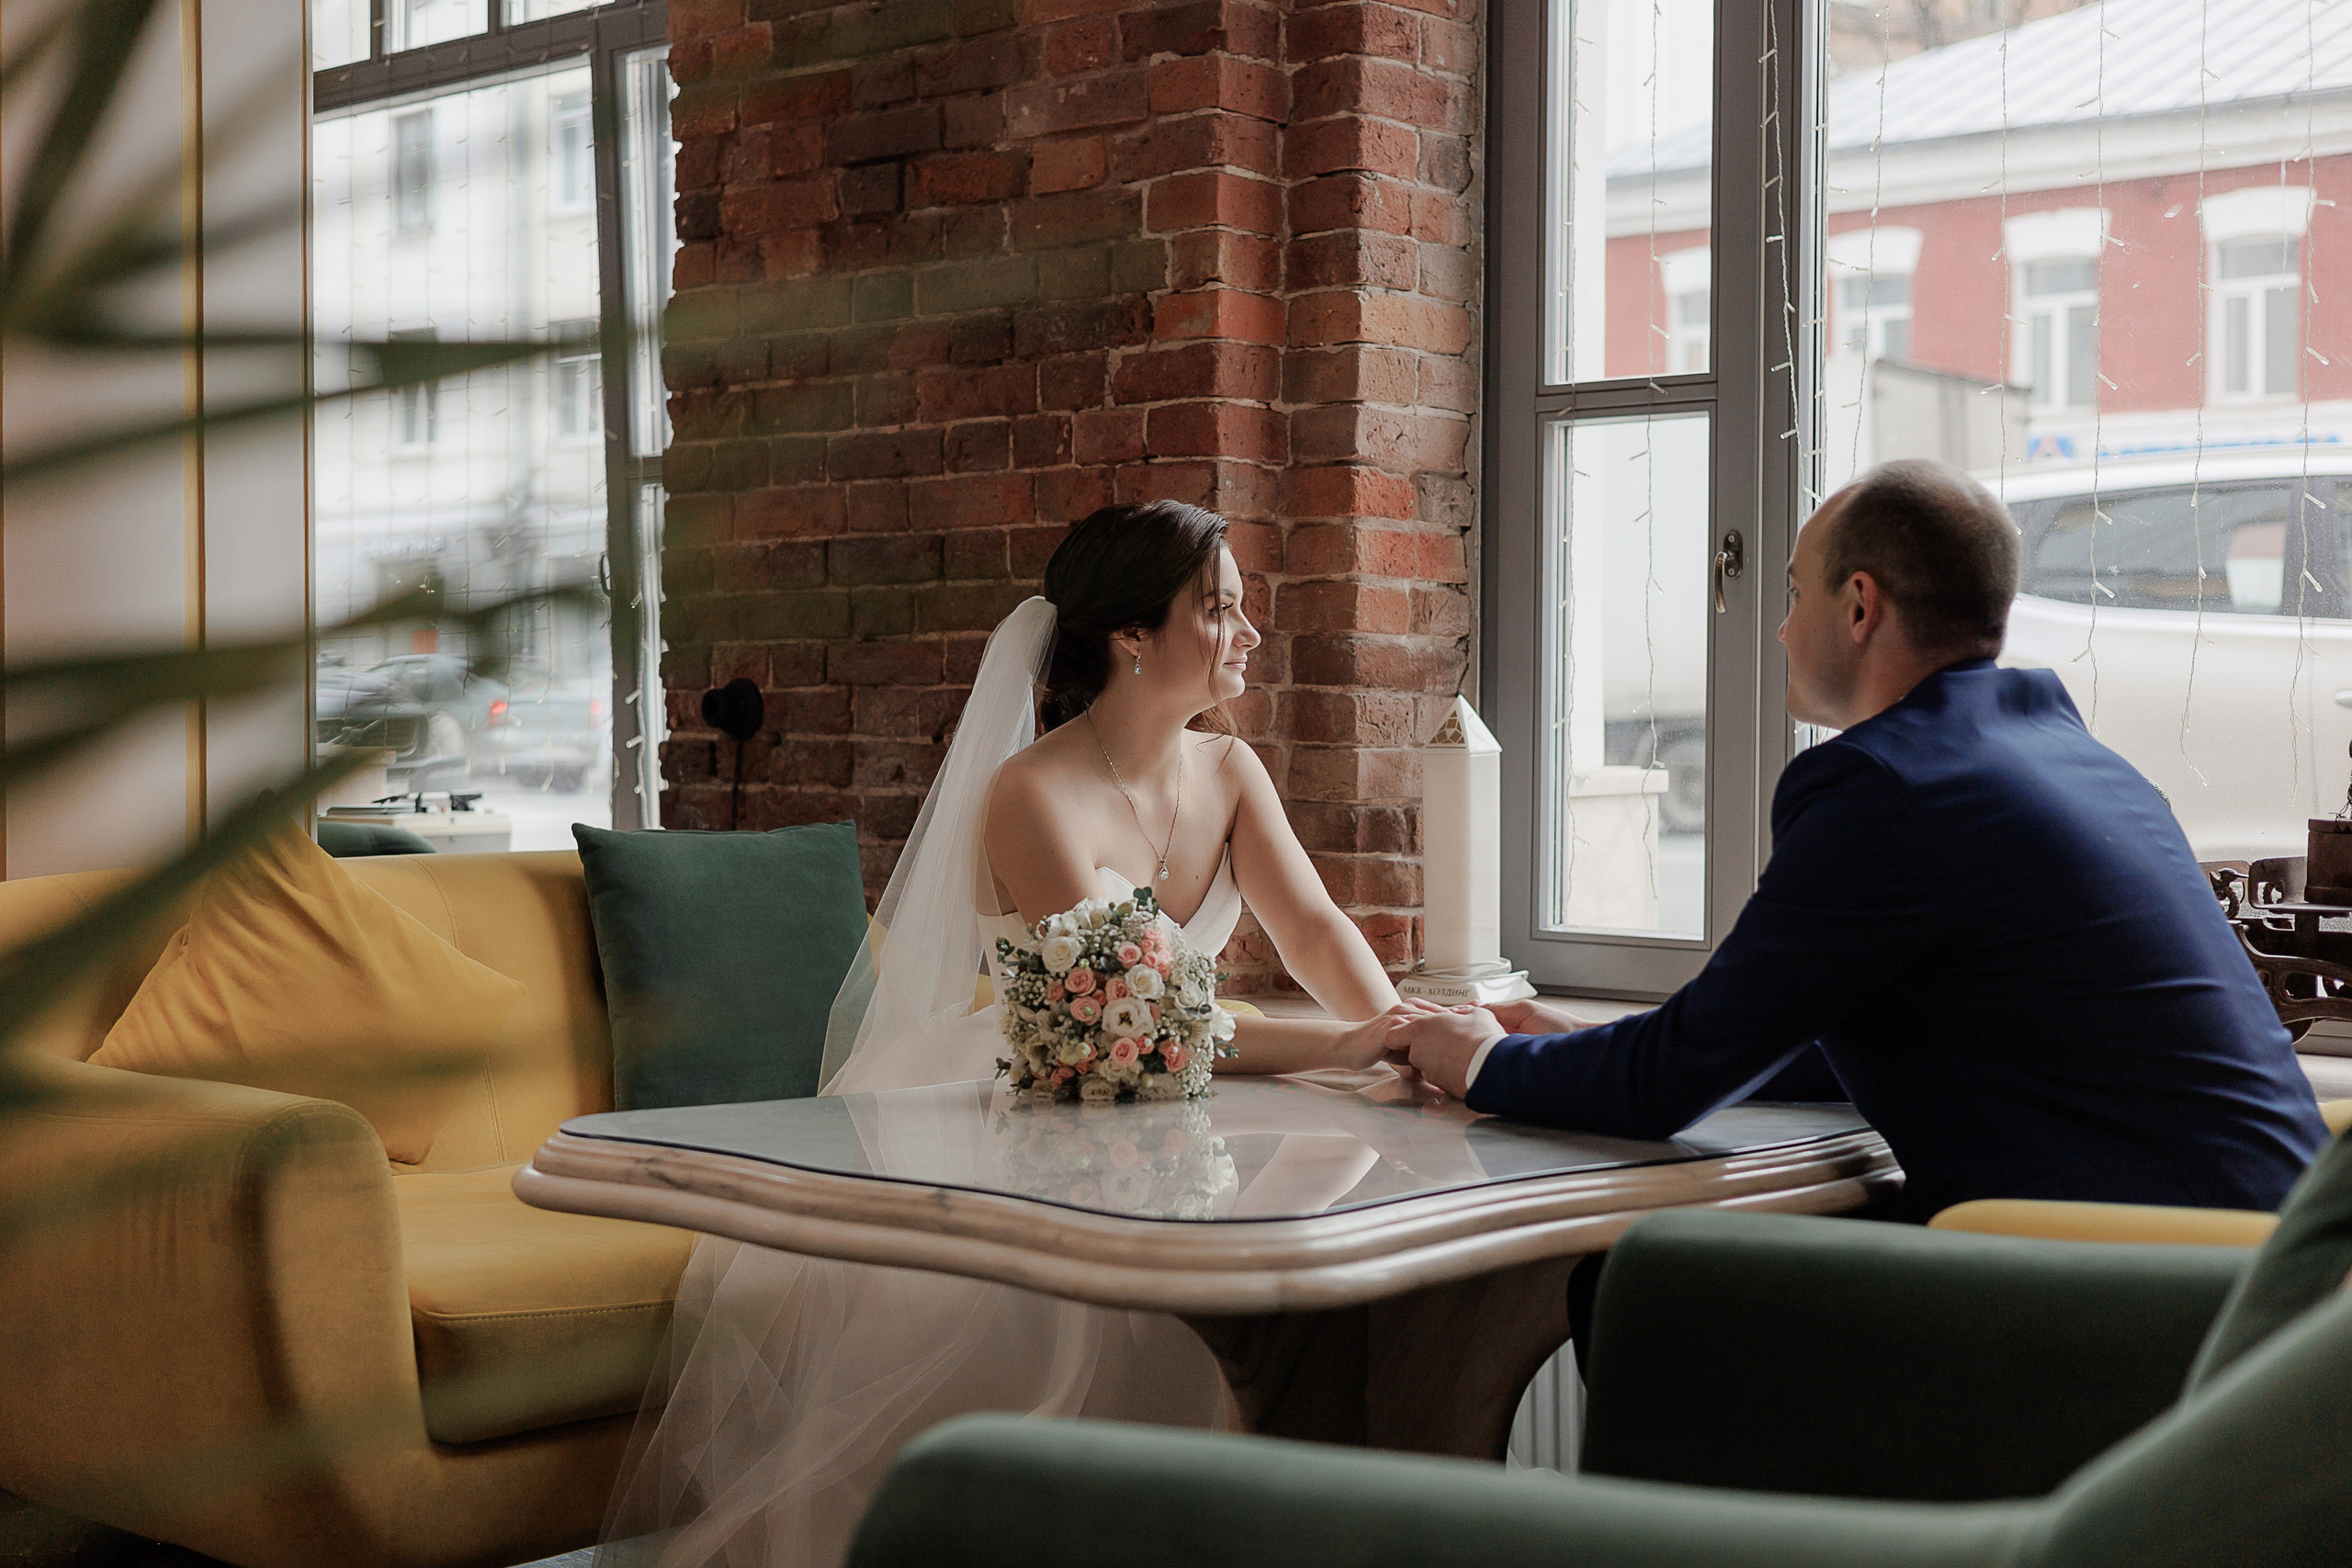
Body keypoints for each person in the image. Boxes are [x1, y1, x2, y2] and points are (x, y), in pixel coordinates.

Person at [598, 502, 1405, 1568]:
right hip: (1032, 1099)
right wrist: (1343, 1050)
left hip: (1164, 1086)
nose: (1250, 633)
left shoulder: (1230, 773)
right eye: (1218, 609)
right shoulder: (1032, 795)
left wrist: (1391, 1022)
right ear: (1131, 636)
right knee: (1089, 1319)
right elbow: (1140, 1014)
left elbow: (1310, 925)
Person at [1388, 457, 2328, 1223]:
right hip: (2278, 1264)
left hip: (2143, 1290)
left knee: (1634, 1284)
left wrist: (1470, 1056)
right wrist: (1585, 1038)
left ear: (1859, 606)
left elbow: (1666, 1086)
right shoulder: (2072, 760)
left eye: (1795, 591)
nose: (1783, 628)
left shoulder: (1888, 785)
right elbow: (1823, 1030)